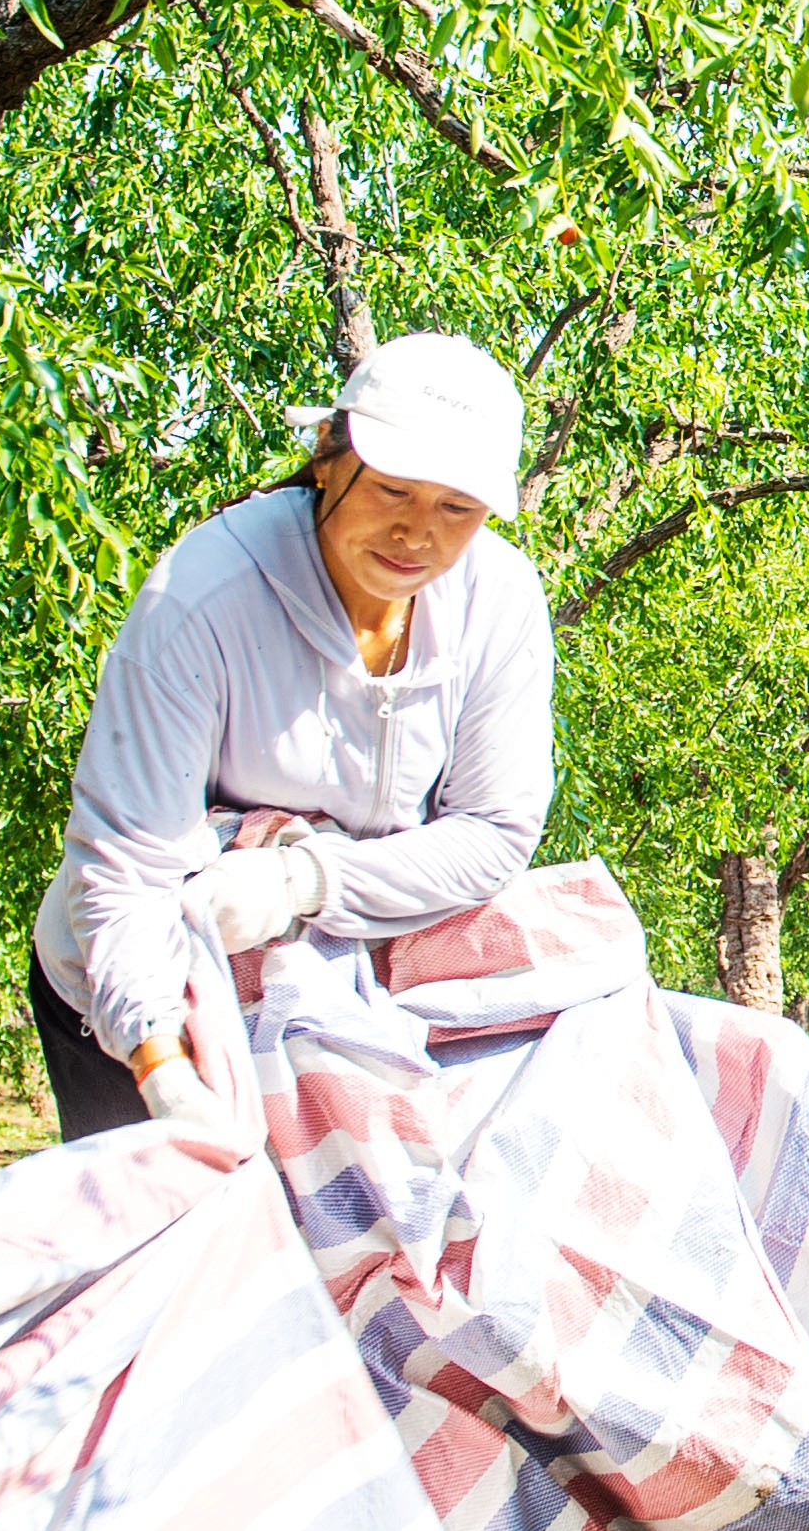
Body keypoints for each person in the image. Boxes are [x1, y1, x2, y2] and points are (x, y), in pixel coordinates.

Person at [28, 333, 555, 1144]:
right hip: (138, 989)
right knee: (172, 1249)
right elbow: (128, 866)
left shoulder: (500, 601)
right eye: (391, 490)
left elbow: (493, 832)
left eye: (456, 507)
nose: (417, 533)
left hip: (345, 991)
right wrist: (161, 1065)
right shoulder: (202, 598)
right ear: (326, 454)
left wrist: (299, 879)